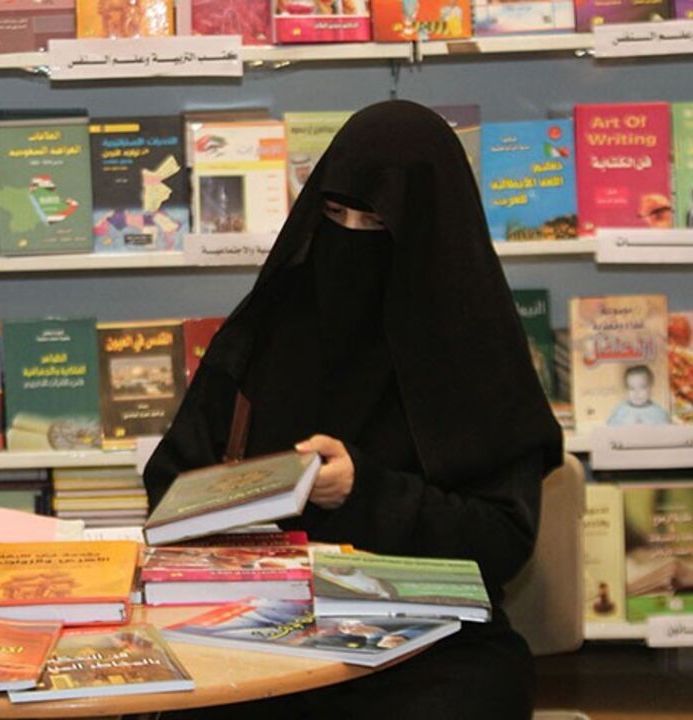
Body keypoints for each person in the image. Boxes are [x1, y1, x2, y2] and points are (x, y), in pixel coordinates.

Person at [145, 101, 563, 719]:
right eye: (334, 214)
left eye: (373, 224)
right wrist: (250, 494)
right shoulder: (270, 327)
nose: (349, 238)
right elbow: (170, 484)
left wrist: (366, 491)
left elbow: (502, 539)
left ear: (428, 232)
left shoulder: (475, 351)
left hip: (431, 638)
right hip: (263, 625)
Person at [607, 364, 671, 425]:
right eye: (632, 388)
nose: (636, 393)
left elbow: (668, 430)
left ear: (651, 388)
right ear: (626, 390)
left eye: (642, 387)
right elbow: (610, 429)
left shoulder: (658, 412)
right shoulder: (620, 411)